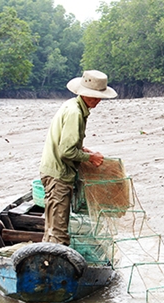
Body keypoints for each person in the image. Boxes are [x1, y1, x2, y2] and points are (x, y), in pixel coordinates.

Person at [39, 70, 117, 245]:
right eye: (93, 96)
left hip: (53, 170)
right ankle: (53, 266)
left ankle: (47, 258)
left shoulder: (72, 105)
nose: (97, 100)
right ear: (83, 93)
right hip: (58, 174)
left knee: (52, 227)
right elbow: (66, 151)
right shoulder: (75, 113)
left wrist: (84, 150)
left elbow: (68, 143)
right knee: (58, 231)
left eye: (99, 97)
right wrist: (90, 158)